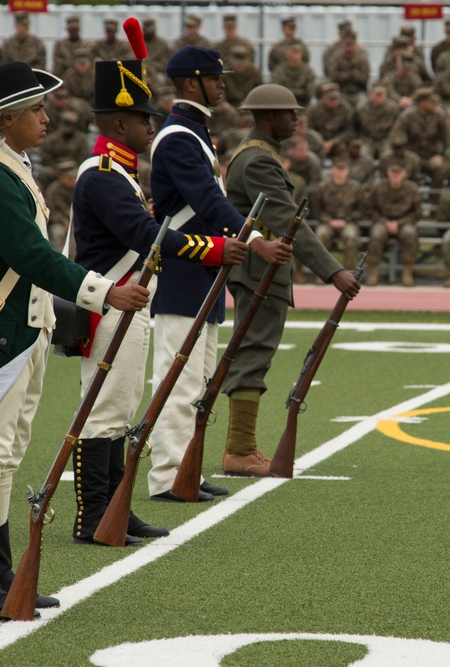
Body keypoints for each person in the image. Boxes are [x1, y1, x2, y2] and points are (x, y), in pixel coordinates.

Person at [0, 61, 149, 620]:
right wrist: (104, 292)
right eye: (36, 109)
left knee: (7, 457)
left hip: (23, 329)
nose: (46, 116)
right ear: (6, 118)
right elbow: (29, 255)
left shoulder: (6, 166)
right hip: (2, 333)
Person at [70, 56, 248, 545]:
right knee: (105, 411)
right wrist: (212, 246)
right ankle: (93, 517)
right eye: (144, 119)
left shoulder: (119, 173)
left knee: (119, 409)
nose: (153, 126)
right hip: (110, 303)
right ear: (117, 123)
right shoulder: (104, 174)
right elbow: (147, 234)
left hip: (125, 302)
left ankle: (113, 512)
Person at [147, 48, 291, 499]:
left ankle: (186, 466)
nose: (223, 83)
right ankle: (167, 475)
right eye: (215, 77)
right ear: (193, 84)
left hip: (204, 272)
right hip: (184, 271)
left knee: (200, 379)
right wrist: (253, 242)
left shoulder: (194, 133)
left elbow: (210, 204)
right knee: (179, 378)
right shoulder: (178, 138)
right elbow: (209, 204)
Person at [222, 83, 360, 476]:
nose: (297, 118)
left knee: (253, 350)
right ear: (267, 116)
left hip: (262, 269)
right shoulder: (258, 161)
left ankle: (241, 447)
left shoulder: (260, 155)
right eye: (289, 113)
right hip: (258, 272)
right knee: (253, 352)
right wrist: (335, 271)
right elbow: (287, 223)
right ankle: (239, 449)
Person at [366, 162, 422, 286]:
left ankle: (407, 272)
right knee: (376, 234)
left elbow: (417, 213)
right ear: (388, 173)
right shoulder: (378, 187)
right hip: (383, 221)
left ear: (405, 174)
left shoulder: (412, 189)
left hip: (404, 222)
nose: (395, 176)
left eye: (399, 173)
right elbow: (370, 209)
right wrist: (384, 222)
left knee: (409, 234)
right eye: (393, 173)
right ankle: (373, 272)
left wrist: (399, 223)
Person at [311, 153, 364, 273]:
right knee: (321, 235)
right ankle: (322, 271)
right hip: (327, 222)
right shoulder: (322, 187)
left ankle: (350, 272)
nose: (341, 172)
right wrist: (329, 221)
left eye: (344, 169)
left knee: (350, 236)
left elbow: (360, 210)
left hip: (348, 222)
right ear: (332, 170)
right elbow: (317, 210)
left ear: (348, 170)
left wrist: (346, 220)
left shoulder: (355, 188)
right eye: (338, 169)